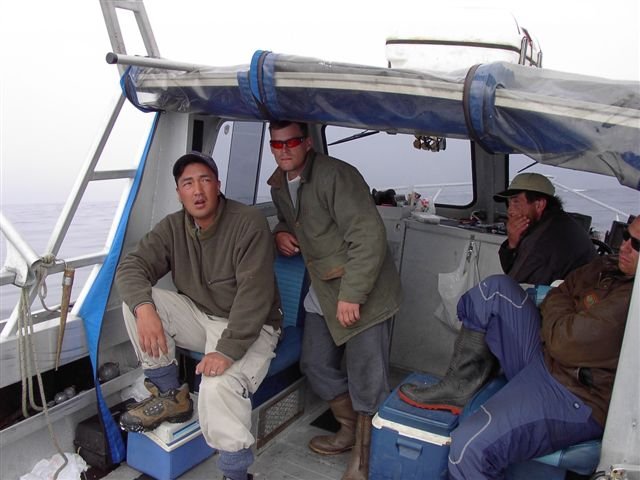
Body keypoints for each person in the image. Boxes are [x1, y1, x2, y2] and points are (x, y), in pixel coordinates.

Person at [398, 215, 639, 479]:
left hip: (574, 394)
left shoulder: (631, 300)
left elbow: (564, 340)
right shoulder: (607, 265)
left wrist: (562, 313)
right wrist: (565, 314)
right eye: (625, 237)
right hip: (549, 359)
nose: (624, 246)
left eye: (636, 244)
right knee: (495, 291)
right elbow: (560, 292)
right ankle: (458, 387)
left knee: (468, 449)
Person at [115, 151, 281, 480]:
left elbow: (254, 296)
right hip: (201, 316)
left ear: (218, 185)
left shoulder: (248, 222)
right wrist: (144, 309)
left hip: (251, 324)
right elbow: (132, 266)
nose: (198, 190)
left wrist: (225, 351)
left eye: (205, 180)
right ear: (179, 192)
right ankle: (172, 396)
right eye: (188, 183)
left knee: (217, 386)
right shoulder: (173, 226)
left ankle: (235, 473)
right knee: (136, 303)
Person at [266, 121, 402, 480]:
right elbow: (290, 220)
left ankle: (364, 457)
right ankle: (348, 428)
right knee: (314, 362)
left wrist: (352, 295)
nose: (284, 150)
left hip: (363, 286)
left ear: (307, 143)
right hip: (324, 287)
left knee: (366, 376)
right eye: (277, 144)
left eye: (292, 142)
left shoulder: (337, 176)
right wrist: (280, 232)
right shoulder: (279, 185)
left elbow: (369, 236)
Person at [494, 172, 595, 285]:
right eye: (509, 203)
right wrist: (512, 244)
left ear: (539, 205)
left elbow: (515, 286)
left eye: (516, 202)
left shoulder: (544, 239)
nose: (509, 211)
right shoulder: (557, 222)